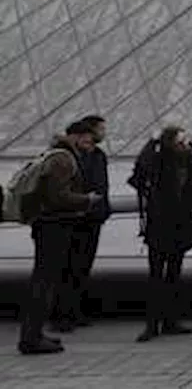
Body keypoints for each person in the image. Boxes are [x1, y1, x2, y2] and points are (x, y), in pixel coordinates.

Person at [17, 122, 101, 355]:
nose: (91, 144)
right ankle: (31, 338)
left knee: (44, 280)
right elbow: (59, 196)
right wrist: (87, 199)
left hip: (45, 224)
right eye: (88, 139)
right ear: (76, 137)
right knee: (44, 281)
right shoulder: (63, 159)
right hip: (54, 226)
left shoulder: (53, 154)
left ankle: (34, 334)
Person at [129, 125, 192, 342]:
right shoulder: (157, 161)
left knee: (173, 274)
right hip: (160, 226)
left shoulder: (191, 160)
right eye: (179, 142)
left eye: (185, 141)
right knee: (155, 276)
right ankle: (152, 324)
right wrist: (152, 143)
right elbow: (140, 171)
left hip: (181, 225)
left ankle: (170, 321)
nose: (184, 145)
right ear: (168, 142)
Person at [54, 115, 109, 332]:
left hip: (92, 217)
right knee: (68, 268)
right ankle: (62, 315)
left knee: (81, 268)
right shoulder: (67, 157)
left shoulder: (97, 155)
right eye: (100, 129)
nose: (103, 133)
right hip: (75, 218)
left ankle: (75, 312)